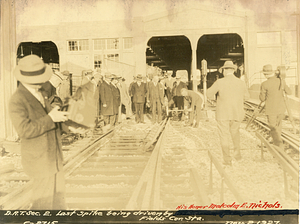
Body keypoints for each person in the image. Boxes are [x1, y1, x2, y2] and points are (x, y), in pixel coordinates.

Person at [9, 55, 69, 209]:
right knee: (43, 204)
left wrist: (66, 124)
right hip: (39, 160)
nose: (42, 82)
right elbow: (24, 130)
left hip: (54, 157)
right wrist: (51, 118)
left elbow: (50, 119)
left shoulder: (40, 92)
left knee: (58, 203)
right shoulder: (18, 100)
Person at [207, 60, 249, 165]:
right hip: (237, 113)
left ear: (225, 71)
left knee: (224, 136)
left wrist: (217, 97)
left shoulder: (219, 82)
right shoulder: (241, 82)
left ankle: (227, 160)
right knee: (235, 134)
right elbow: (247, 97)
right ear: (233, 71)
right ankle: (238, 156)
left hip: (223, 114)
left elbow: (208, 94)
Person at [259, 64, 292, 148]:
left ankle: (278, 145)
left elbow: (262, 99)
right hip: (281, 109)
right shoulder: (281, 81)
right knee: (278, 127)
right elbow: (289, 92)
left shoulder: (264, 84)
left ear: (265, 74)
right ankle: (277, 143)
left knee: (273, 128)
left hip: (271, 110)